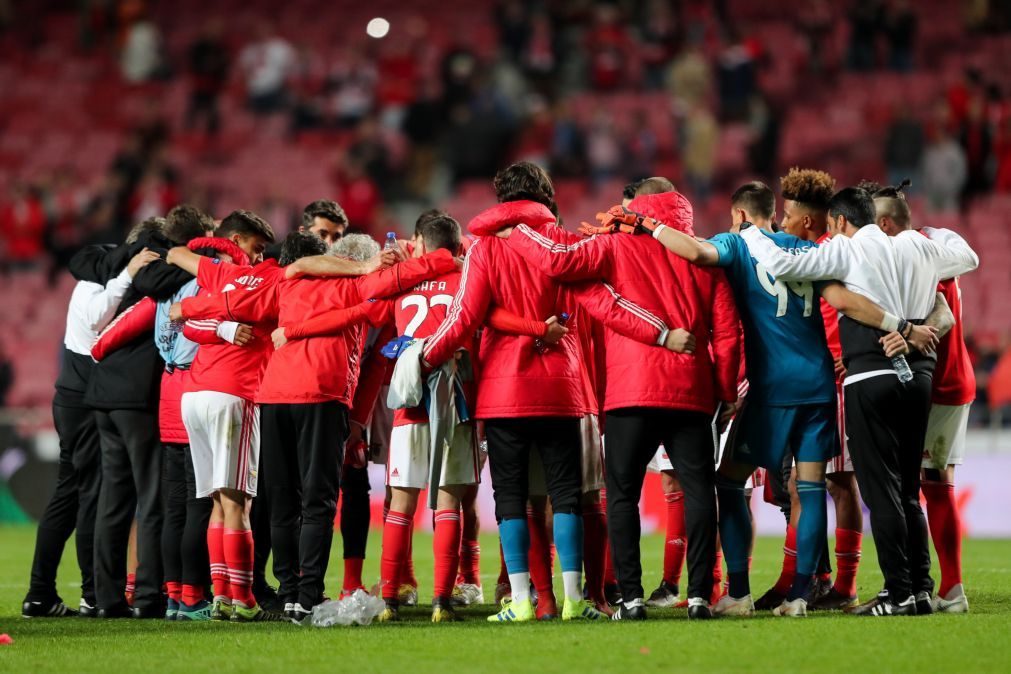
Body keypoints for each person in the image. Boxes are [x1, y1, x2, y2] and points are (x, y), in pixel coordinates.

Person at [637, 180, 936, 617]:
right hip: (817, 387)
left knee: (728, 481)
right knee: (812, 488)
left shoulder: (738, 243)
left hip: (772, 388)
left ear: (740, 216)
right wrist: (901, 325)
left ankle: (737, 591)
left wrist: (649, 226)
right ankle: (800, 595)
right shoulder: (808, 251)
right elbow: (843, 300)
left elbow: (697, 252)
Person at [423, 163, 688, 623]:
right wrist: (659, 337)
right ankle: (573, 599)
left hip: (503, 393)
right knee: (567, 496)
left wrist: (424, 357)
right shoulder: (564, 242)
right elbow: (602, 307)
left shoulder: (486, 246)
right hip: (563, 389)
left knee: (511, 498)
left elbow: (464, 316)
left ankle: (522, 600)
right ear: (545, 196)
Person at [494, 174, 741, 621]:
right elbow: (727, 333)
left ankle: (630, 597)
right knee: (700, 491)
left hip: (632, 392)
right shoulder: (704, 255)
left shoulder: (615, 246)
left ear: (641, 207)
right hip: (692, 391)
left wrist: (517, 233)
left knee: (622, 494)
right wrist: (725, 391)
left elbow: (560, 261)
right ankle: (701, 594)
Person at [183, 232, 456, 622]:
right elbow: (405, 279)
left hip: (273, 396)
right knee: (318, 502)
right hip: (321, 397)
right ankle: (308, 595)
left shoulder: (286, 283)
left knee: (282, 501)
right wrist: (449, 259)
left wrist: (187, 308)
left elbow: (236, 303)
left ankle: (289, 590)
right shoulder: (358, 283)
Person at [738, 186, 978, 616]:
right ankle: (921, 589)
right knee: (907, 491)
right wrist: (936, 231)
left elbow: (779, 263)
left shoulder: (846, 251)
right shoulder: (920, 247)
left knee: (881, 491)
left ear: (842, 222)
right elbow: (968, 258)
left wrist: (753, 232)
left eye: (833, 226)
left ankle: (898, 593)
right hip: (920, 376)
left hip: (871, 374)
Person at [21, 236, 159, 618]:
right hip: (82, 401)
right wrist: (128, 274)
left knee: (70, 495)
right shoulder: (97, 287)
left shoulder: (91, 281)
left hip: (72, 396)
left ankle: (41, 594)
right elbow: (100, 319)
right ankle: (91, 593)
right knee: (92, 496)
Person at [86, 206, 212, 619]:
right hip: (138, 398)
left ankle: (106, 599)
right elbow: (144, 319)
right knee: (155, 499)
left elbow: (114, 329)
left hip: (104, 392)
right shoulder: (171, 274)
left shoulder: (128, 270)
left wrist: (99, 349)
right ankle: (147, 596)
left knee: (114, 500)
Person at [871, 183, 975, 613]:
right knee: (936, 483)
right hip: (955, 381)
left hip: (933, 383)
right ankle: (944, 585)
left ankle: (930, 585)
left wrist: (907, 341)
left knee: (915, 487)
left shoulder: (910, 258)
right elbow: (966, 259)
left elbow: (943, 317)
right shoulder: (937, 247)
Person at [774, 168, 865, 611]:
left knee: (839, 483)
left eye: (787, 215)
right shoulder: (813, 254)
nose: (781, 222)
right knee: (799, 485)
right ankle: (808, 578)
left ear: (809, 221)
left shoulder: (833, 252)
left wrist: (853, 348)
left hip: (839, 383)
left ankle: (842, 586)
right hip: (815, 381)